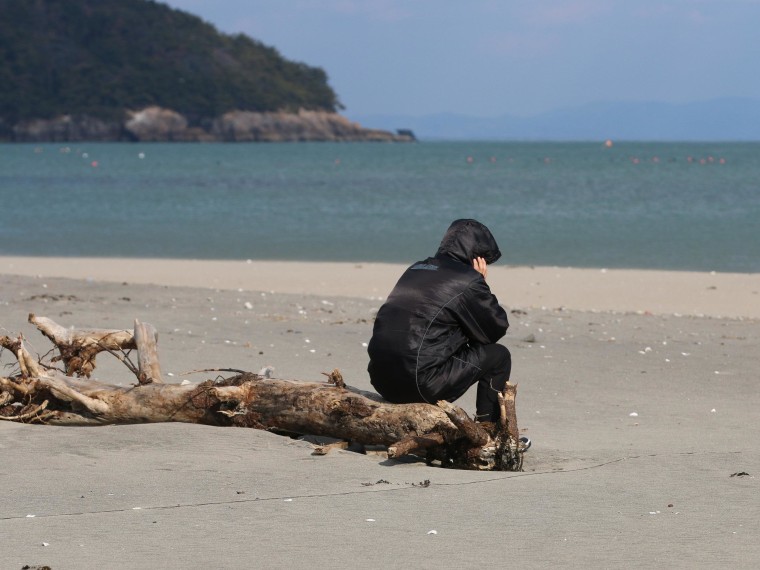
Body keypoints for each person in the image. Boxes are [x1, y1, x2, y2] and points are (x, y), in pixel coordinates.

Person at [367, 219, 511, 423]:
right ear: (477, 258)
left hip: (381, 380)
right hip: (418, 384)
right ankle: (490, 430)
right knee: (499, 356)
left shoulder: (416, 268)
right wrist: (481, 283)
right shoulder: (468, 280)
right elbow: (495, 328)